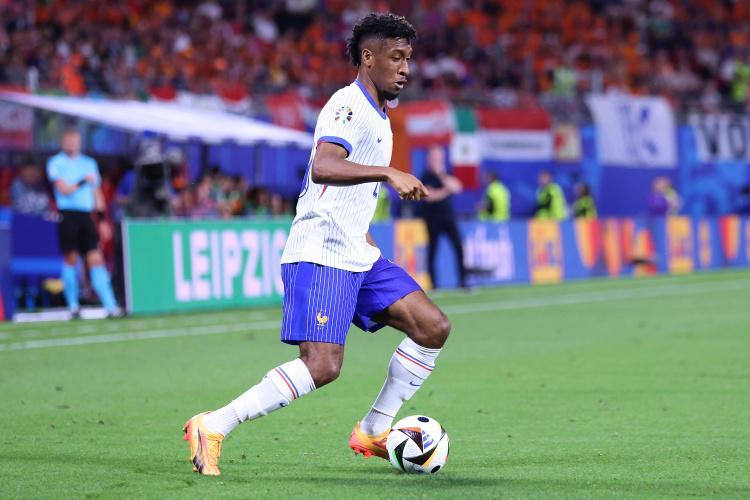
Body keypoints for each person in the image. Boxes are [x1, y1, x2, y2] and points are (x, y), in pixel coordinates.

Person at [183, 13, 451, 476]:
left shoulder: (381, 116)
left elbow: (351, 195)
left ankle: (373, 429)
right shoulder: (348, 105)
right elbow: (324, 166)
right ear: (368, 58)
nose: (406, 69)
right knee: (322, 365)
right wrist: (389, 172)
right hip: (321, 252)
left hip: (357, 253)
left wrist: (368, 238)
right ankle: (213, 424)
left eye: (409, 58)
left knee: (432, 327)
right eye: (396, 57)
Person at [46, 127, 120, 318]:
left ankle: (110, 305)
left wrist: (102, 220)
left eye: (75, 141)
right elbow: (64, 190)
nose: (72, 144)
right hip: (67, 214)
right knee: (71, 258)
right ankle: (73, 305)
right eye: (68, 141)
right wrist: (82, 181)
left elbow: (96, 193)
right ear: (63, 142)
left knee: (95, 257)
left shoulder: (89, 163)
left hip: (86, 215)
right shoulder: (56, 163)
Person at [420, 145, 467, 288]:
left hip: (448, 217)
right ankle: (434, 284)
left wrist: (441, 175)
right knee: (433, 250)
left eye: (438, 157)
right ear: (428, 159)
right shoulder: (425, 176)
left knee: (458, 247)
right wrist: (446, 190)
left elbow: (457, 187)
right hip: (432, 218)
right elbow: (429, 196)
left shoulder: (446, 173)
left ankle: (463, 282)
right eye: (433, 157)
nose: (436, 160)